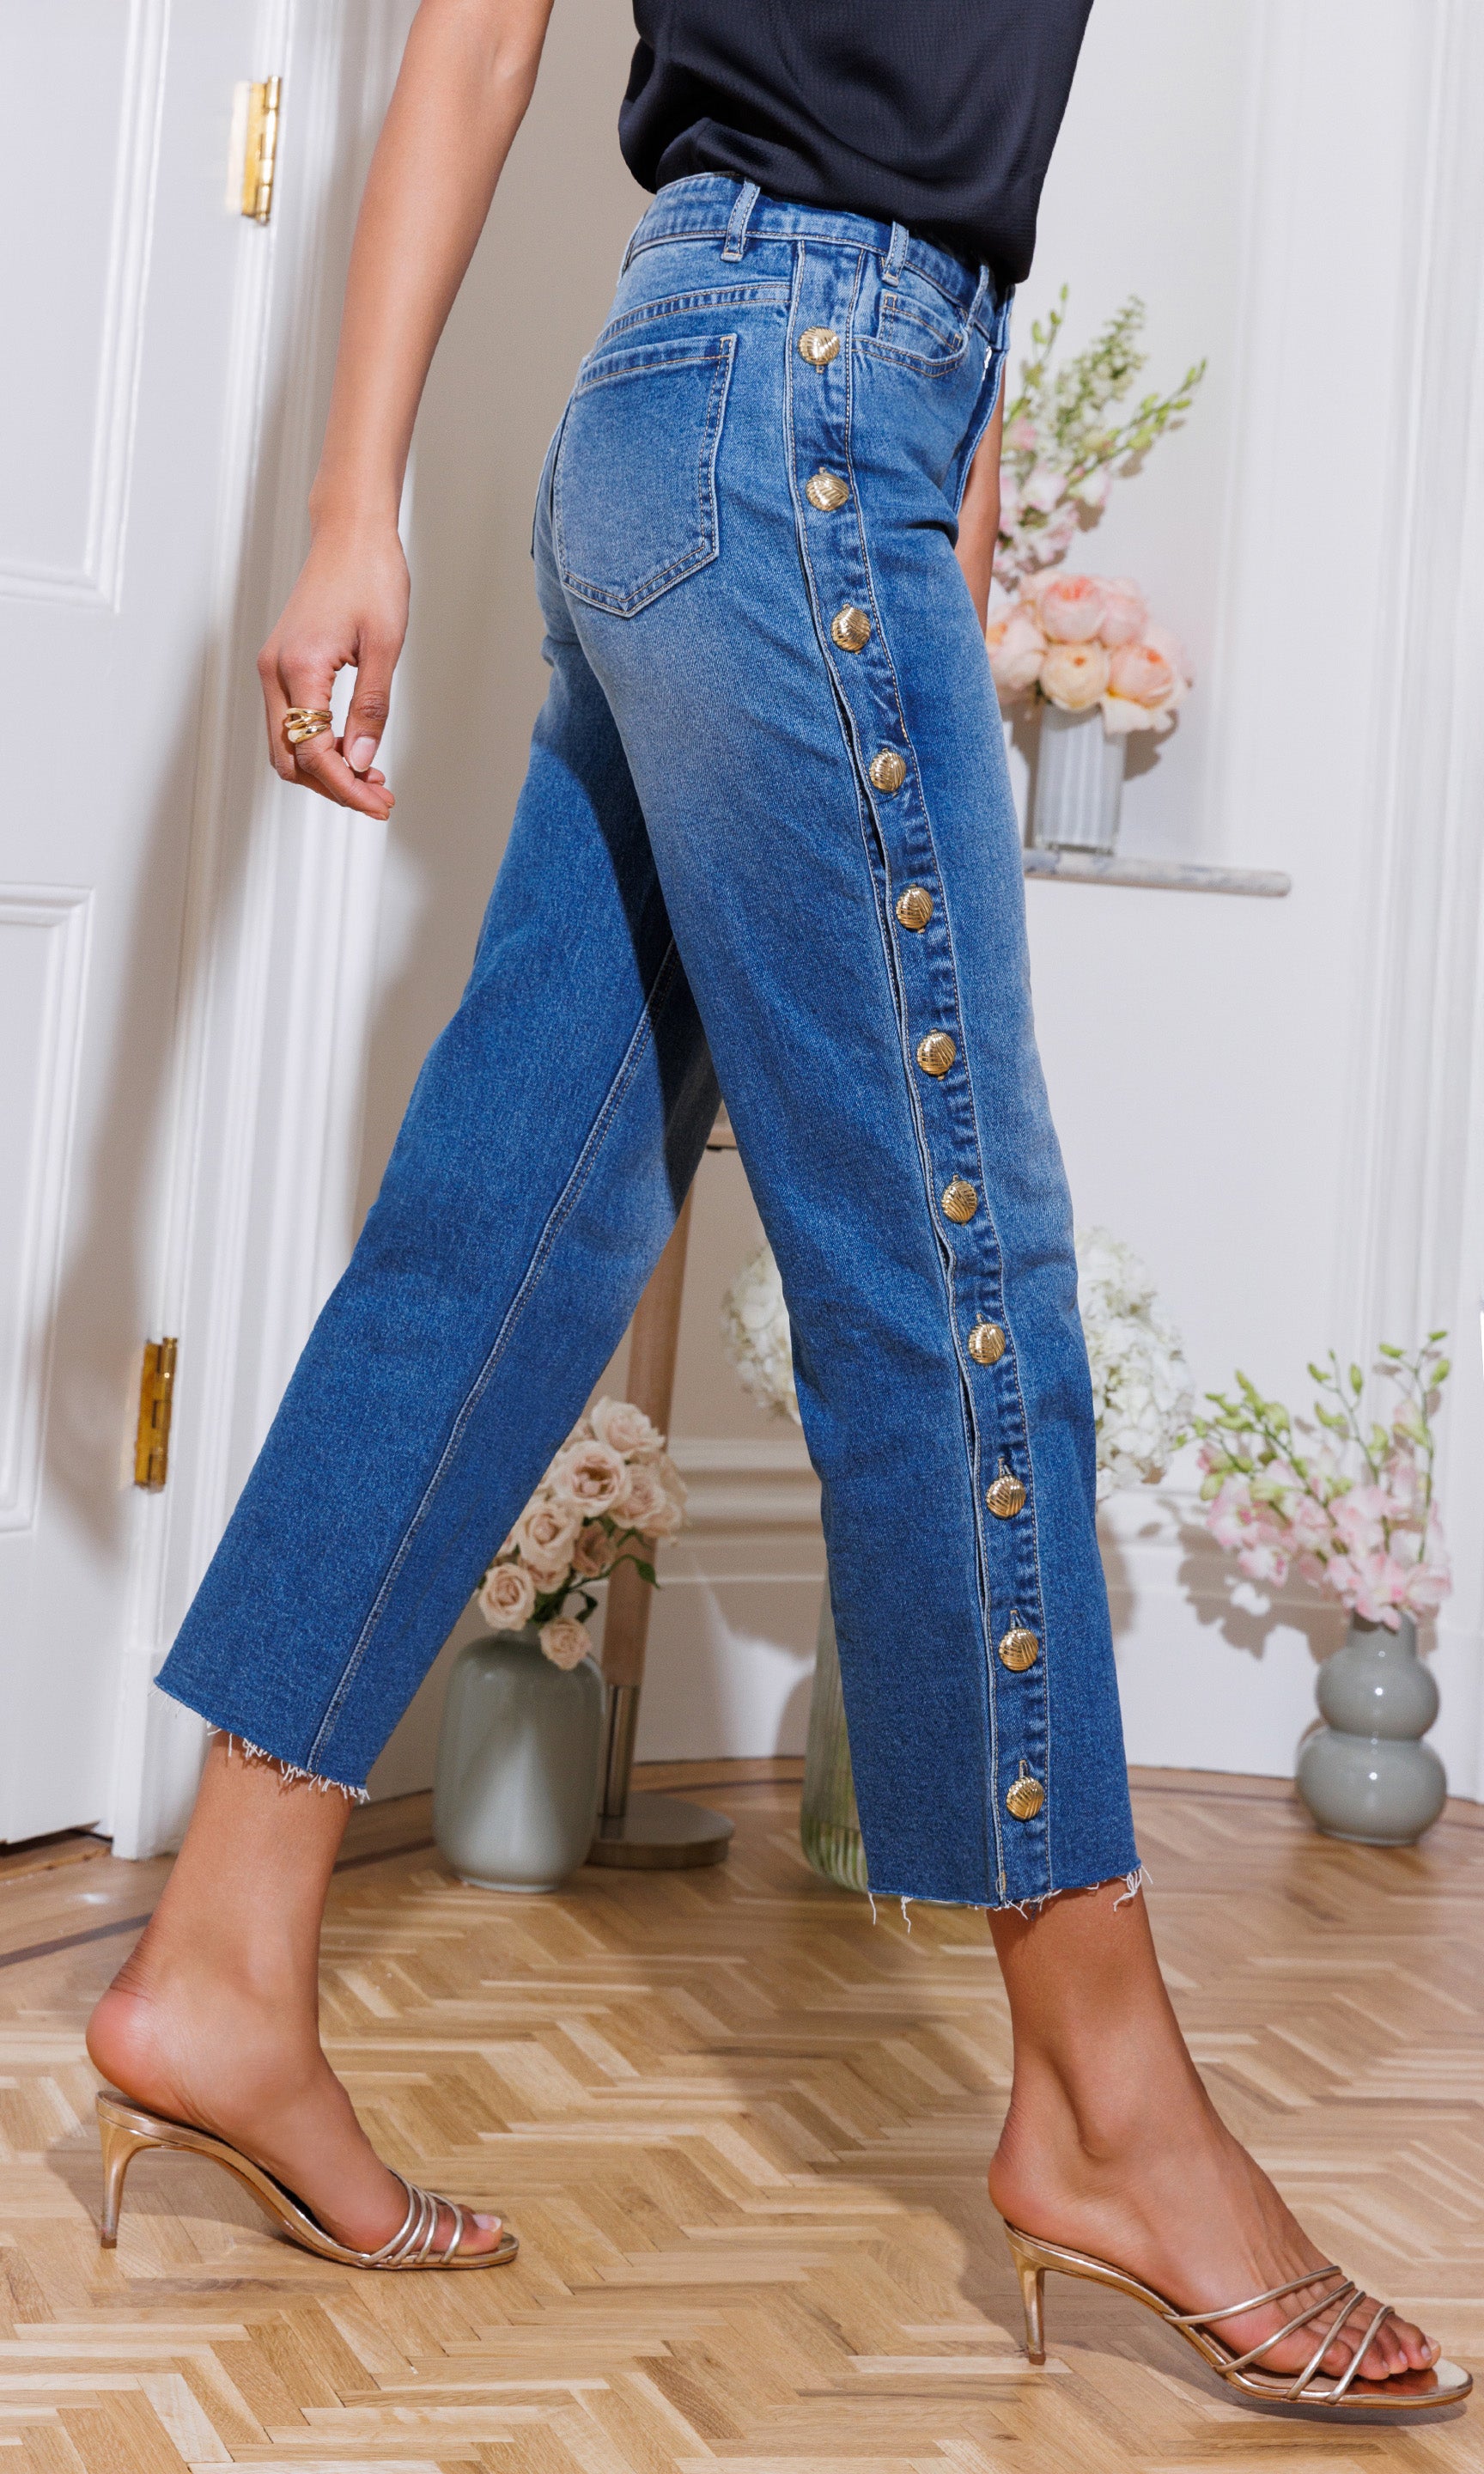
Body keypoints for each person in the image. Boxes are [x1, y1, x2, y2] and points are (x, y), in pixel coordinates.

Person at [88, 0, 1466, 2410]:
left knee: (506, 1233)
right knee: (961, 1274)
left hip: (791, 413)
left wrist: (970, 452)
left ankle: (219, 1951)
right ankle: (1107, 2100)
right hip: (787, 400)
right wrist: (347, 505)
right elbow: (483, 32)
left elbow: (965, 118)